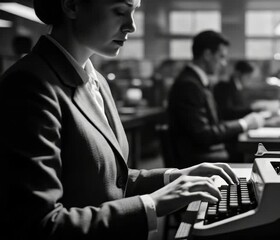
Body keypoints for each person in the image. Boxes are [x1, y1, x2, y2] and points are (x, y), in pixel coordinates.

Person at [0, 0, 238, 239]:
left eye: (133, 12)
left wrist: (174, 177)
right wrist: (151, 204)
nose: (131, 26)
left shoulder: (97, 81)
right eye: (120, 11)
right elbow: (38, 225)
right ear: (72, 5)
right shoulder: (28, 85)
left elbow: (110, 180)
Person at [167, 30, 265, 168]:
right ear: (207, 55)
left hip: (204, 155)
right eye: (221, 57)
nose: (224, 63)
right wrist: (244, 123)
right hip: (197, 162)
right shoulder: (189, 84)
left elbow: (212, 124)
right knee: (257, 161)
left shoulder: (196, 81)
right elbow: (203, 134)